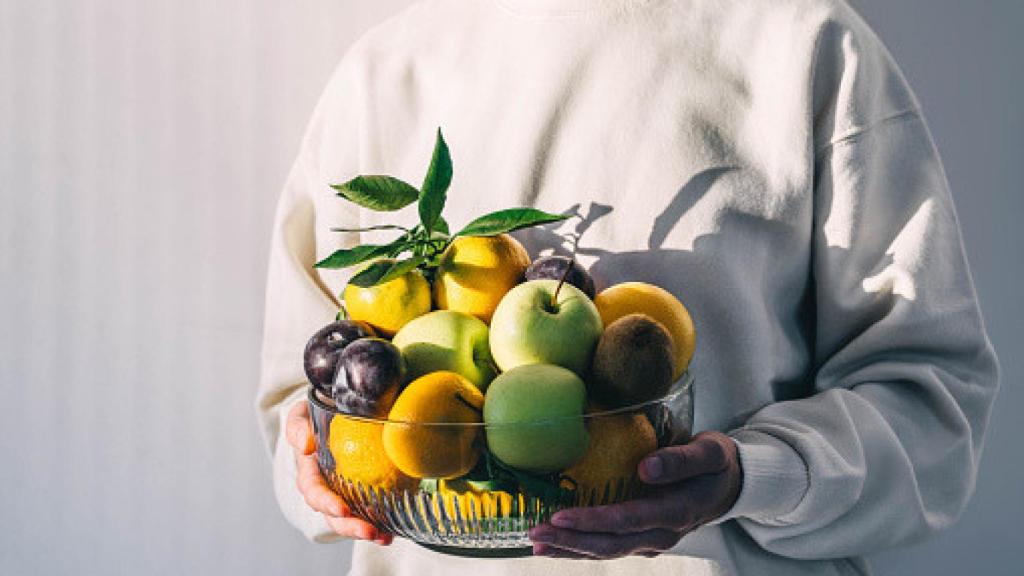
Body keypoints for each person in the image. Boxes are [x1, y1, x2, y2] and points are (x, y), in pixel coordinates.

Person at [256, 0, 1000, 574]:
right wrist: (313, 465)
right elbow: (296, 403)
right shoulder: (383, 75)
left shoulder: (805, 47)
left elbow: (934, 408)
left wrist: (753, 475)